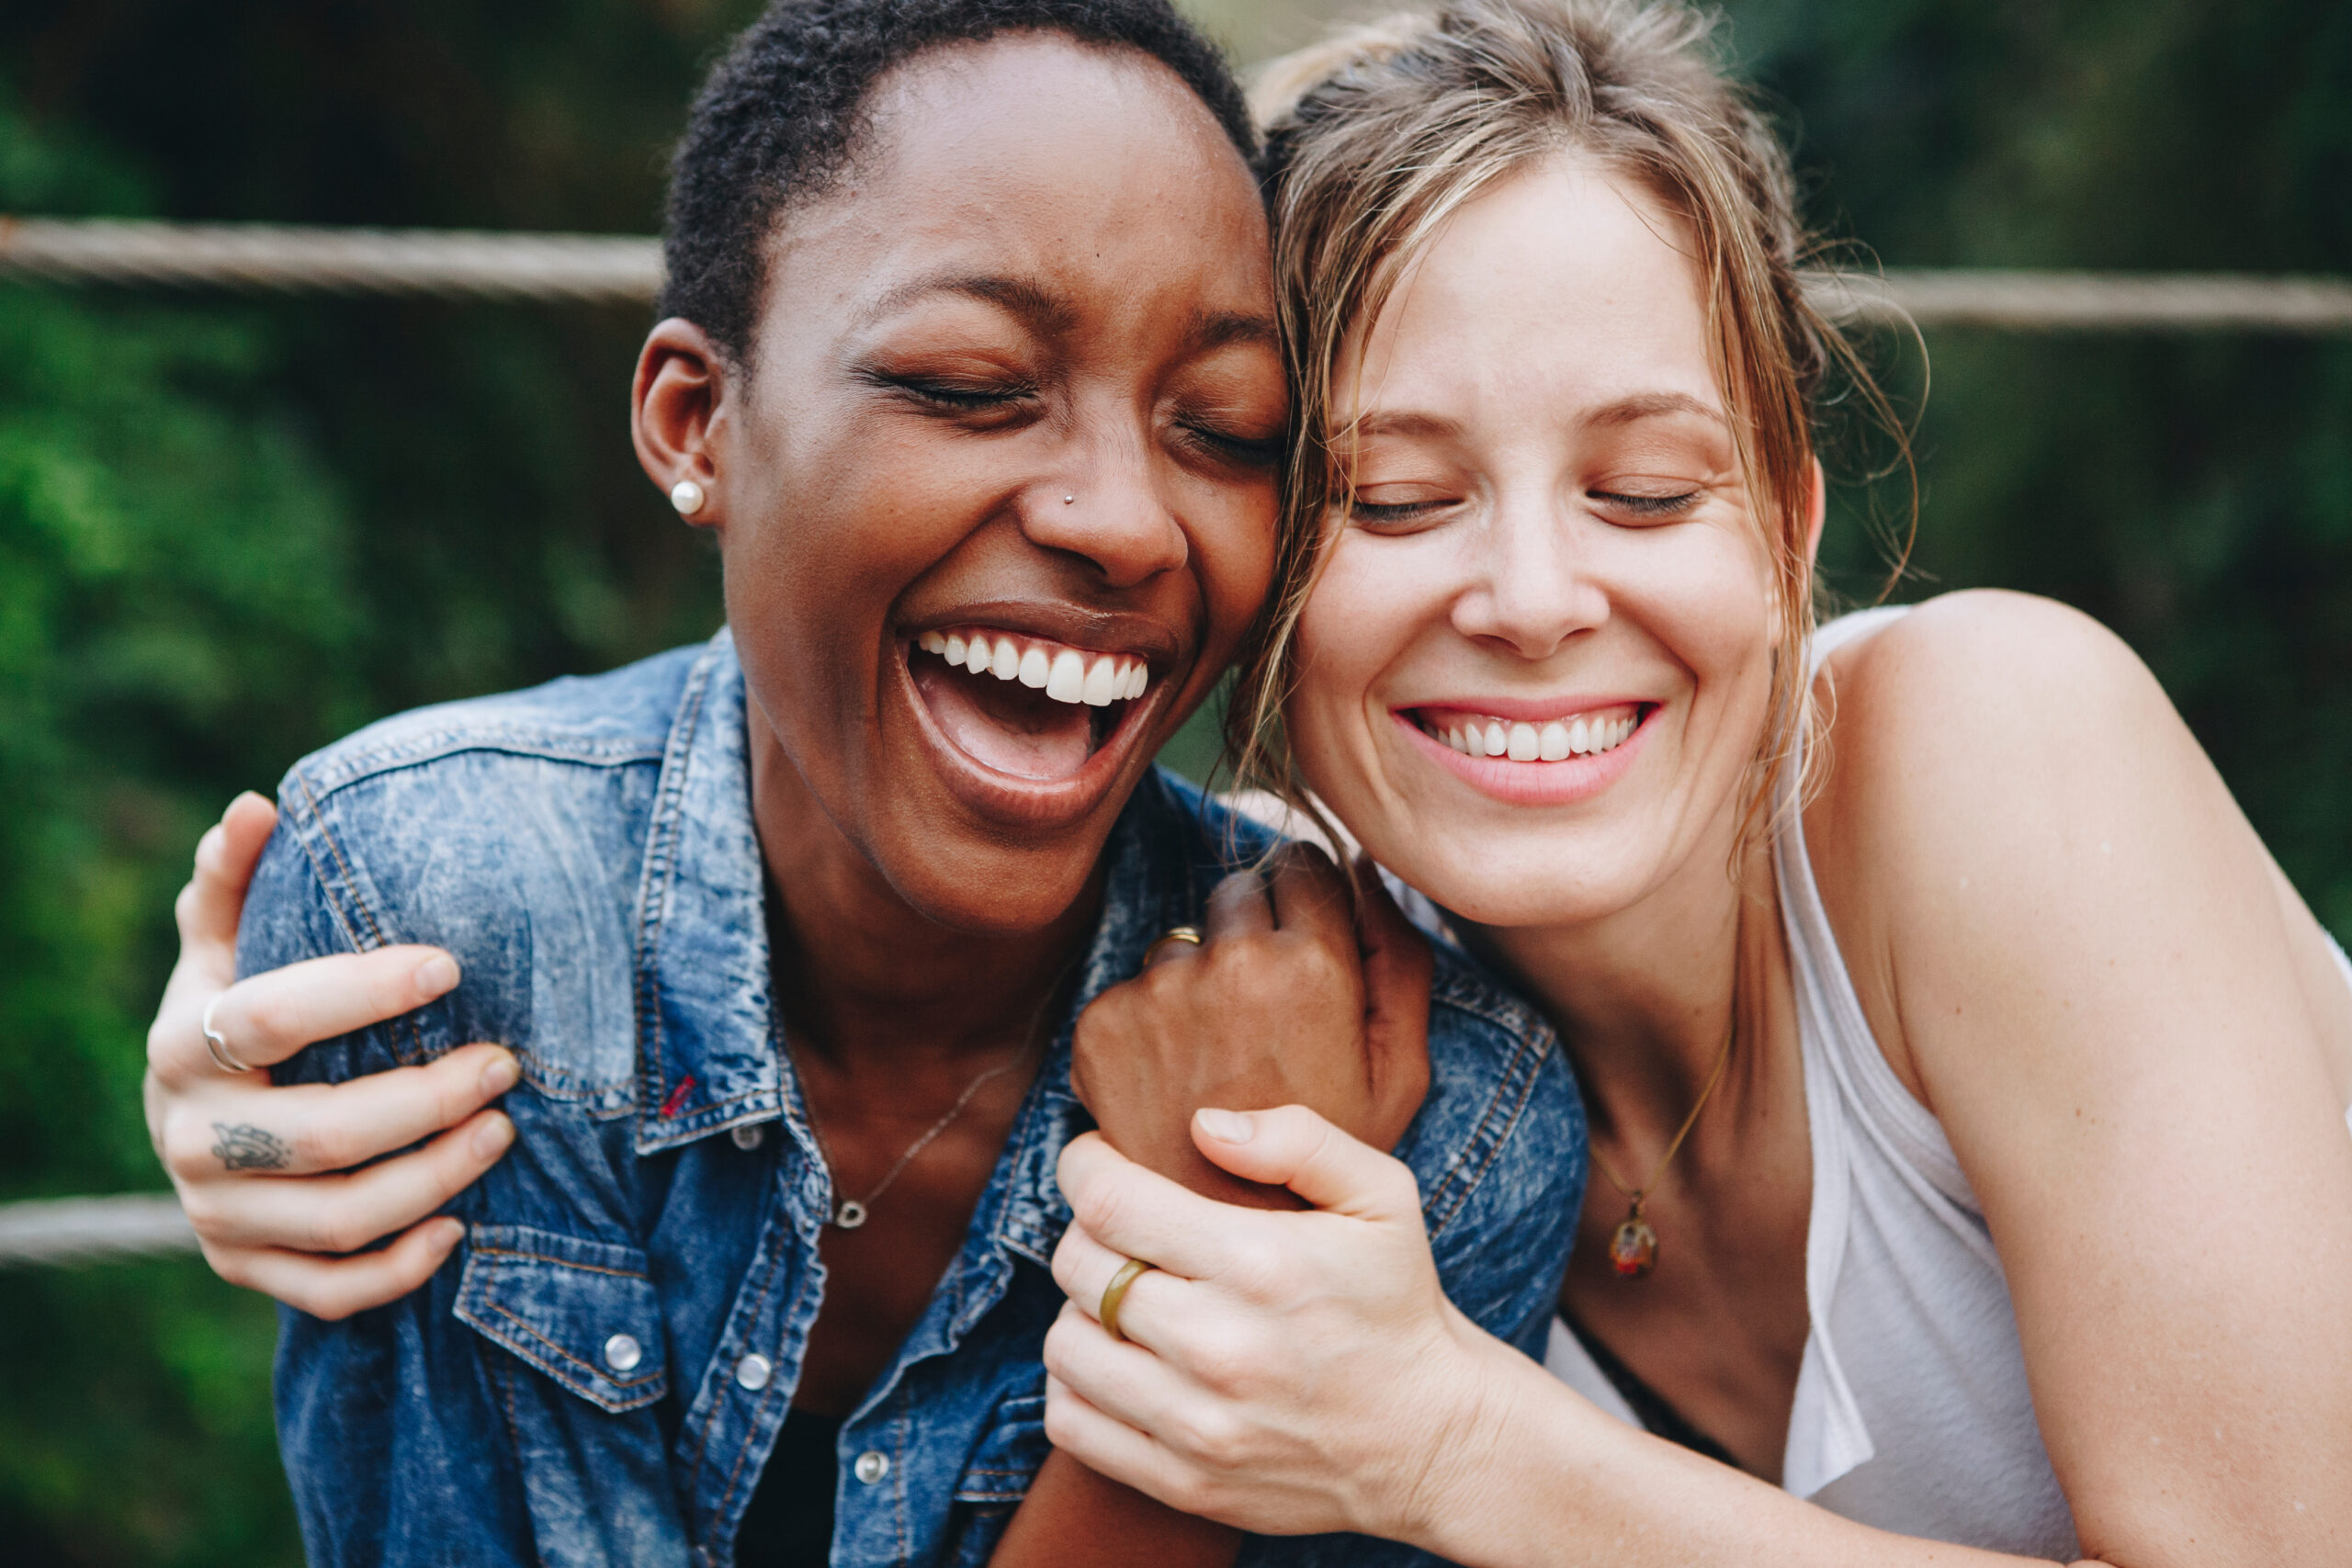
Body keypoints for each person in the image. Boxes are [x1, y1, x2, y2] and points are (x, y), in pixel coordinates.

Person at [140, 4, 1587, 1565]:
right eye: (972, 385)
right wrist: (1201, 1312)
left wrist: (1241, 1247)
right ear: (697, 424)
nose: (1125, 519)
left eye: (1222, 429)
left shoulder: (1435, 1126)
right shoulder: (444, 923)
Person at [1032, 3, 2352, 1564]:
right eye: (1392, 500)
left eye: (1646, 493)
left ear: (1788, 532)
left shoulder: (1999, 739)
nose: (1532, 598)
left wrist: (1454, 1446)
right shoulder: (1297, 992)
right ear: (1258, 579)